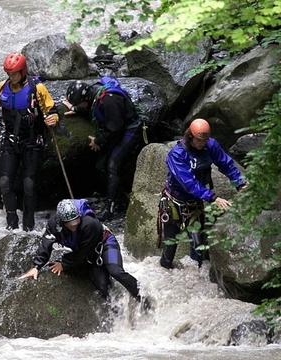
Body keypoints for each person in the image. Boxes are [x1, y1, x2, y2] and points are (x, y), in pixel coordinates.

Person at [20, 199, 149, 309]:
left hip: (105, 244)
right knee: (103, 287)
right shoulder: (54, 225)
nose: (74, 226)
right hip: (89, 254)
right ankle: (118, 312)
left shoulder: (89, 224)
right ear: (62, 222)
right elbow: (46, 243)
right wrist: (36, 266)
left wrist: (64, 264)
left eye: (76, 222)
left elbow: (82, 252)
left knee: (115, 271)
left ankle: (143, 297)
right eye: (71, 225)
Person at [0, 52, 58, 231]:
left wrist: (53, 118)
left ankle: (28, 225)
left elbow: (52, 109)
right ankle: (11, 222)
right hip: (10, 142)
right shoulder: (1, 88)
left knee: (29, 184)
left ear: (23, 71)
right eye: (9, 73)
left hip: (32, 143)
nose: (12, 76)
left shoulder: (37, 88)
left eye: (15, 73)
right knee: (5, 182)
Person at [158, 118, 246, 269]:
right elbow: (188, 183)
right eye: (200, 140)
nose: (203, 143)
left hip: (194, 204)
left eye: (205, 140)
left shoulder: (210, 145)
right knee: (170, 247)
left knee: (199, 248)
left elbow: (226, 164)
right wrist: (213, 197)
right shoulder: (177, 154)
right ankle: (165, 271)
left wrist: (240, 183)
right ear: (190, 137)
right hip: (174, 203)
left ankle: (198, 277)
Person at [63, 77, 142, 220]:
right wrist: (75, 108)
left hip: (129, 129)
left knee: (112, 165)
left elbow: (116, 128)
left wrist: (98, 141)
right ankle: (117, 196)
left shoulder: (108, 101)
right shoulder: (93, 95)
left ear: (86, 99)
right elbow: (89, 109)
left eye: (79, 104)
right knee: (100, 166)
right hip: (115, 128)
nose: (79, 106)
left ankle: (111, 208)